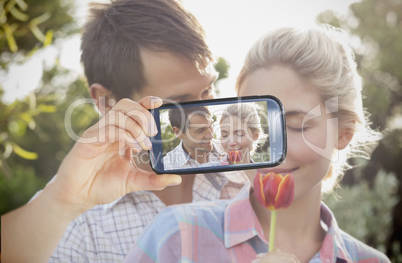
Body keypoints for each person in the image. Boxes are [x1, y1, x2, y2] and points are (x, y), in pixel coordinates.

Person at [1, 0, 248, 262]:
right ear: (107, 102)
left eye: (208, 89)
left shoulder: (250, 181)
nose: (207, 114)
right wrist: (62, 201)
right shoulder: (68, 220)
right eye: (181, 103)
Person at [124, 26, 390, 262]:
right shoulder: (177, 237)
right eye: (265, 124)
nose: (274, 150)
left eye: (297, 126)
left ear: (343, 133)